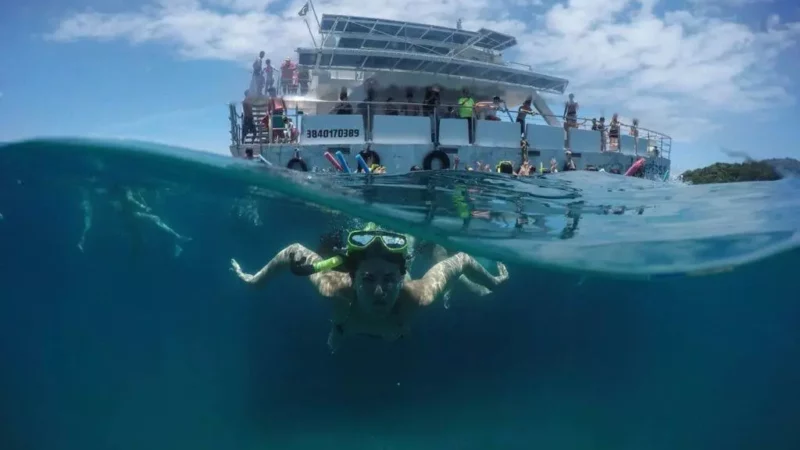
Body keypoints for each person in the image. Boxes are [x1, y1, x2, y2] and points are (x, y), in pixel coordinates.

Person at [230, 223, 509, 352]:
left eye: (389, 281)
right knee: (341, 331)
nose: (379, 292)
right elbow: (293, 252)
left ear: (401, 279)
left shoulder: (418, 295)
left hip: (394, 332)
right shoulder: (335, 288)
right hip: (346, 325)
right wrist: (255, 281)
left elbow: (460, 260)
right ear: (352, 277)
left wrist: (493, 283)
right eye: (368, 280)